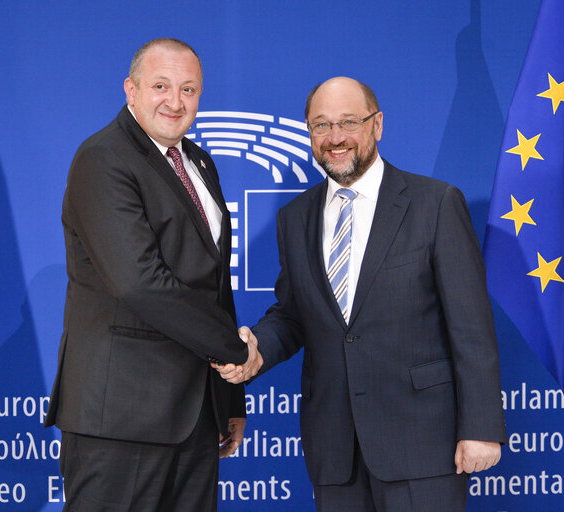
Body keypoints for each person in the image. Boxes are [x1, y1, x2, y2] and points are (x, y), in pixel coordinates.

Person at [215, 76, 507, 511]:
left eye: (349, 122)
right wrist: (256, 350)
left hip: (423, 443)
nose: (335, 138)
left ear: (377, 125)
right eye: (321, 125)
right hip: (335, 451)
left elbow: (471, 325)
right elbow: (295, 315)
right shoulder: (295, 218)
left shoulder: (436, 204)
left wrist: (481, 426)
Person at [45, 38, 262, 512]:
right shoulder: (103, 158)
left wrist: (230, 397)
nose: (175, 101)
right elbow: (139, 281)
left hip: (195, 415)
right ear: (131, 90)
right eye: (161, 86)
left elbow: (214, 284)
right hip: (122, 418)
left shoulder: (198, 162)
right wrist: (235, 351)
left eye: (189, 89)